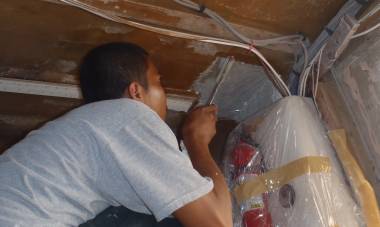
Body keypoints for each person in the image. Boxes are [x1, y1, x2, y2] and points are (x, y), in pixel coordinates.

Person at [0, 42, 232, 227]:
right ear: (136, 91)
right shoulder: (131, 116)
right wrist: (196, 140)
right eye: (159, 82)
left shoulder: (97, 125)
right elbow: (217, 223)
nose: (165, 96)